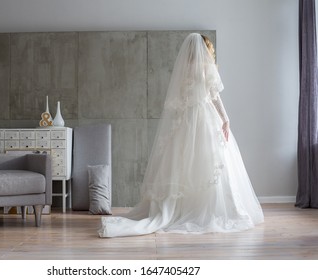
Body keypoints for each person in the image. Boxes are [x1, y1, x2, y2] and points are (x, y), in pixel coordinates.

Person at [98, 33, 264, 238]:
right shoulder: (206, 68)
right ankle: (207, 208)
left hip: (187, 121)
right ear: (205, 49)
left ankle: (182, 207)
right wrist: (226, 119)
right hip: (205, 118)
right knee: (210, 162)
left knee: (183, 163)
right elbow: (214, 96)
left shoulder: (184, 70)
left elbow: (180, 101)